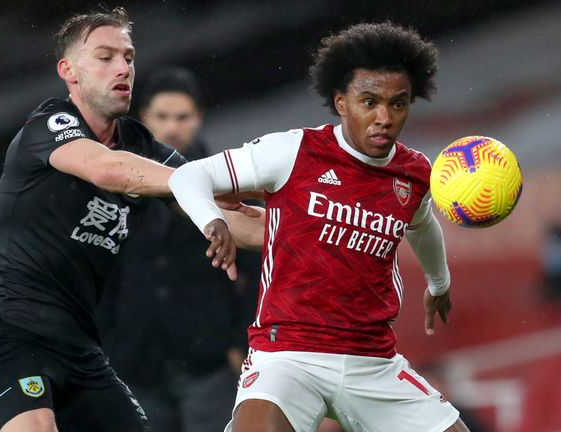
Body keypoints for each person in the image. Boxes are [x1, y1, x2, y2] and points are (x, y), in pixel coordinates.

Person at [0, 8, 259, 432]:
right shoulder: (50, 125)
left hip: (80, 347)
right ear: (69, 71)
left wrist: (314, 227)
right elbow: (108, 170)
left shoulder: (141, 145)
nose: (123, 67)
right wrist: (200, 187)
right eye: (105, 56)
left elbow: (229, 212)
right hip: (8, 331)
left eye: (129, 57)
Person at [169, 22, 471, 432]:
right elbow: (187, 178)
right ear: (341, 101)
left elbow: (422, 226)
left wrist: (439, 284)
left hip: (373, 361)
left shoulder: (415, 174)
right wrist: (213, 221)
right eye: (370, 101)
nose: (384, 118)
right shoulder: (293, 151)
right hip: (289, 353)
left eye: (398, 104)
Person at [101, 66, 260, 432]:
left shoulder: (227, 186)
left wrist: (241, 342)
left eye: (182, 116)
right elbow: (101, 273)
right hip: (135, 358)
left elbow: (256, 275)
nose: (172, 127)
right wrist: (106, 342)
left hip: (209, 359)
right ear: (143, 118)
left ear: (199, 118)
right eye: (162, 116)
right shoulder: (114, 185)